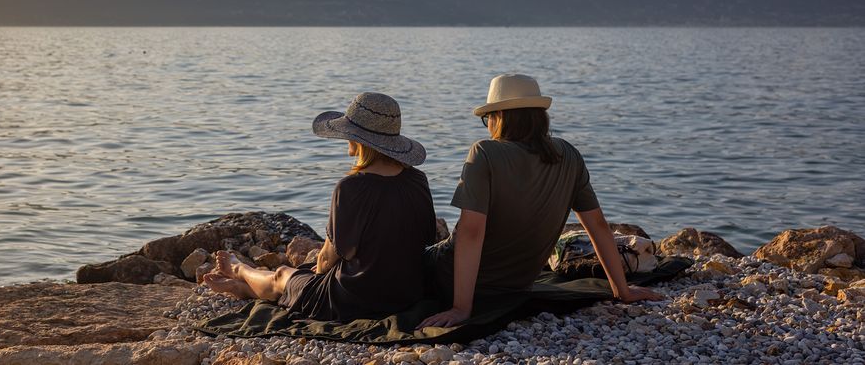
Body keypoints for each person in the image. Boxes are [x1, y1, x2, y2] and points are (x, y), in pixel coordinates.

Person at [419, 74, 662, 329]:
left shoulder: (485, 153)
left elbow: (471, 232)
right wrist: (622, 290)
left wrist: (461, 308)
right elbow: (598, 226)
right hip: (516, 285)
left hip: (450, 277)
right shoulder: (568, 155)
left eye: (487, 117)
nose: (488, 124)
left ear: (499, 117)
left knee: (411, 254)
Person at [203, 92, 438, 322]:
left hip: (356, 299)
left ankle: (239, 270)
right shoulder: (417, 179)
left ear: (357, 139)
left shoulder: (351, 188)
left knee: (283, 275)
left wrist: (313, 280)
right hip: (407, 293)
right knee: (297, 278)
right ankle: (243, 288)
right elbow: (426, 238)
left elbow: (326, 260)